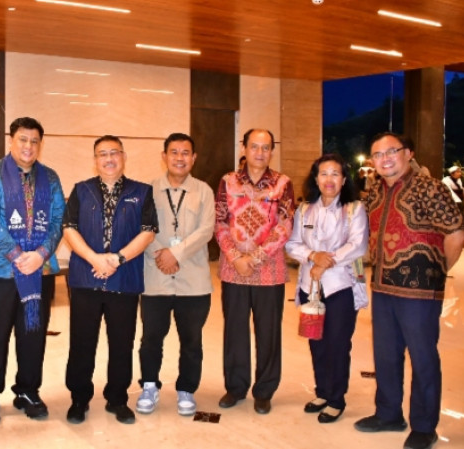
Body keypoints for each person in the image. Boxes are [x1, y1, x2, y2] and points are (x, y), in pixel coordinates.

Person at [354, 132, 464, 449]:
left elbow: (456, 233)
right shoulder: (376, 191)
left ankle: (425, 426)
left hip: (420, 294)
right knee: (385, 355)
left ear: (408, 153)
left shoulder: (430, 188)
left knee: (422, 357)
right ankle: (388, 414)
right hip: (383, 287)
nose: (384, 159)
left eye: (391, 151)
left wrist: (438, 270)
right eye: (377, 154)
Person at [62, 135, 157, 425]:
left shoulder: (142, 191)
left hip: (124, 279)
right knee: (82, 343)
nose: (108, 159)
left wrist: (117, 259)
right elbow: (69, 228)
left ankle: (117, 399)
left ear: (124, 156)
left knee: (121, 343)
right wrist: (94, 258)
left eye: (114, 152)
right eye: (102, 154)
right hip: (85, 278)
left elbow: (148, 231)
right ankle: (79, 399)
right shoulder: (81, 190)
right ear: (95, 160)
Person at [0, 117, 65, 424]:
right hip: (0, 272)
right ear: (11, 141)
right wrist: (17, 255)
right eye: (23, 139)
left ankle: (27, 390)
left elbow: (58, 220)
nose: (28, 146)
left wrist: (40, 254)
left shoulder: (50, 178)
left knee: (33, 335)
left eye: (34, 141)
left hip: (39, 271)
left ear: (41, 144)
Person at [215, 128, 294, 415]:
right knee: (235, 331)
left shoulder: (282, 183)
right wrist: (236, 257)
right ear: (244, 148)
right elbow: (220, 222)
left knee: (268, 333)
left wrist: (256, 257)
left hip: (270, 271)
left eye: (266, 147)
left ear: (272, 150)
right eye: (255, 146)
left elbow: (285, 226)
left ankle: (264, 391)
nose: (260, 152)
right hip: (233, 269)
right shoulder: (228, 181)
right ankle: (235, 388)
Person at [285, 154, 368, 424]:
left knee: (338, 344)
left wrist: (324, 262)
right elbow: (292, 244)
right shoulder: (304, 210)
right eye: (323, 173)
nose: (329, 179)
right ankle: (322, 392)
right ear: (316, 178)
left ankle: (336, 399)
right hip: (310, 287)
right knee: (316, 342)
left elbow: (357, 245)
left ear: (344, 180)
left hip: (341, 286)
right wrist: (313, 256)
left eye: (335, 174)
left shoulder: (354, 209)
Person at [137, 133, 214, 416]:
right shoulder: (148, 191)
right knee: (151, 338)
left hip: (194, 281)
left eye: (185, 153)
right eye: (174, 152)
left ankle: (186, 389)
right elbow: (141, 227)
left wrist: (176, 254)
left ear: (193, 158)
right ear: (164, 156)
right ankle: (149, 386)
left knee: (191, 340)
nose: (179, 158)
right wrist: (161, 254)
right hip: (155, 279)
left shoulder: (204, 191)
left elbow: (206, 230)